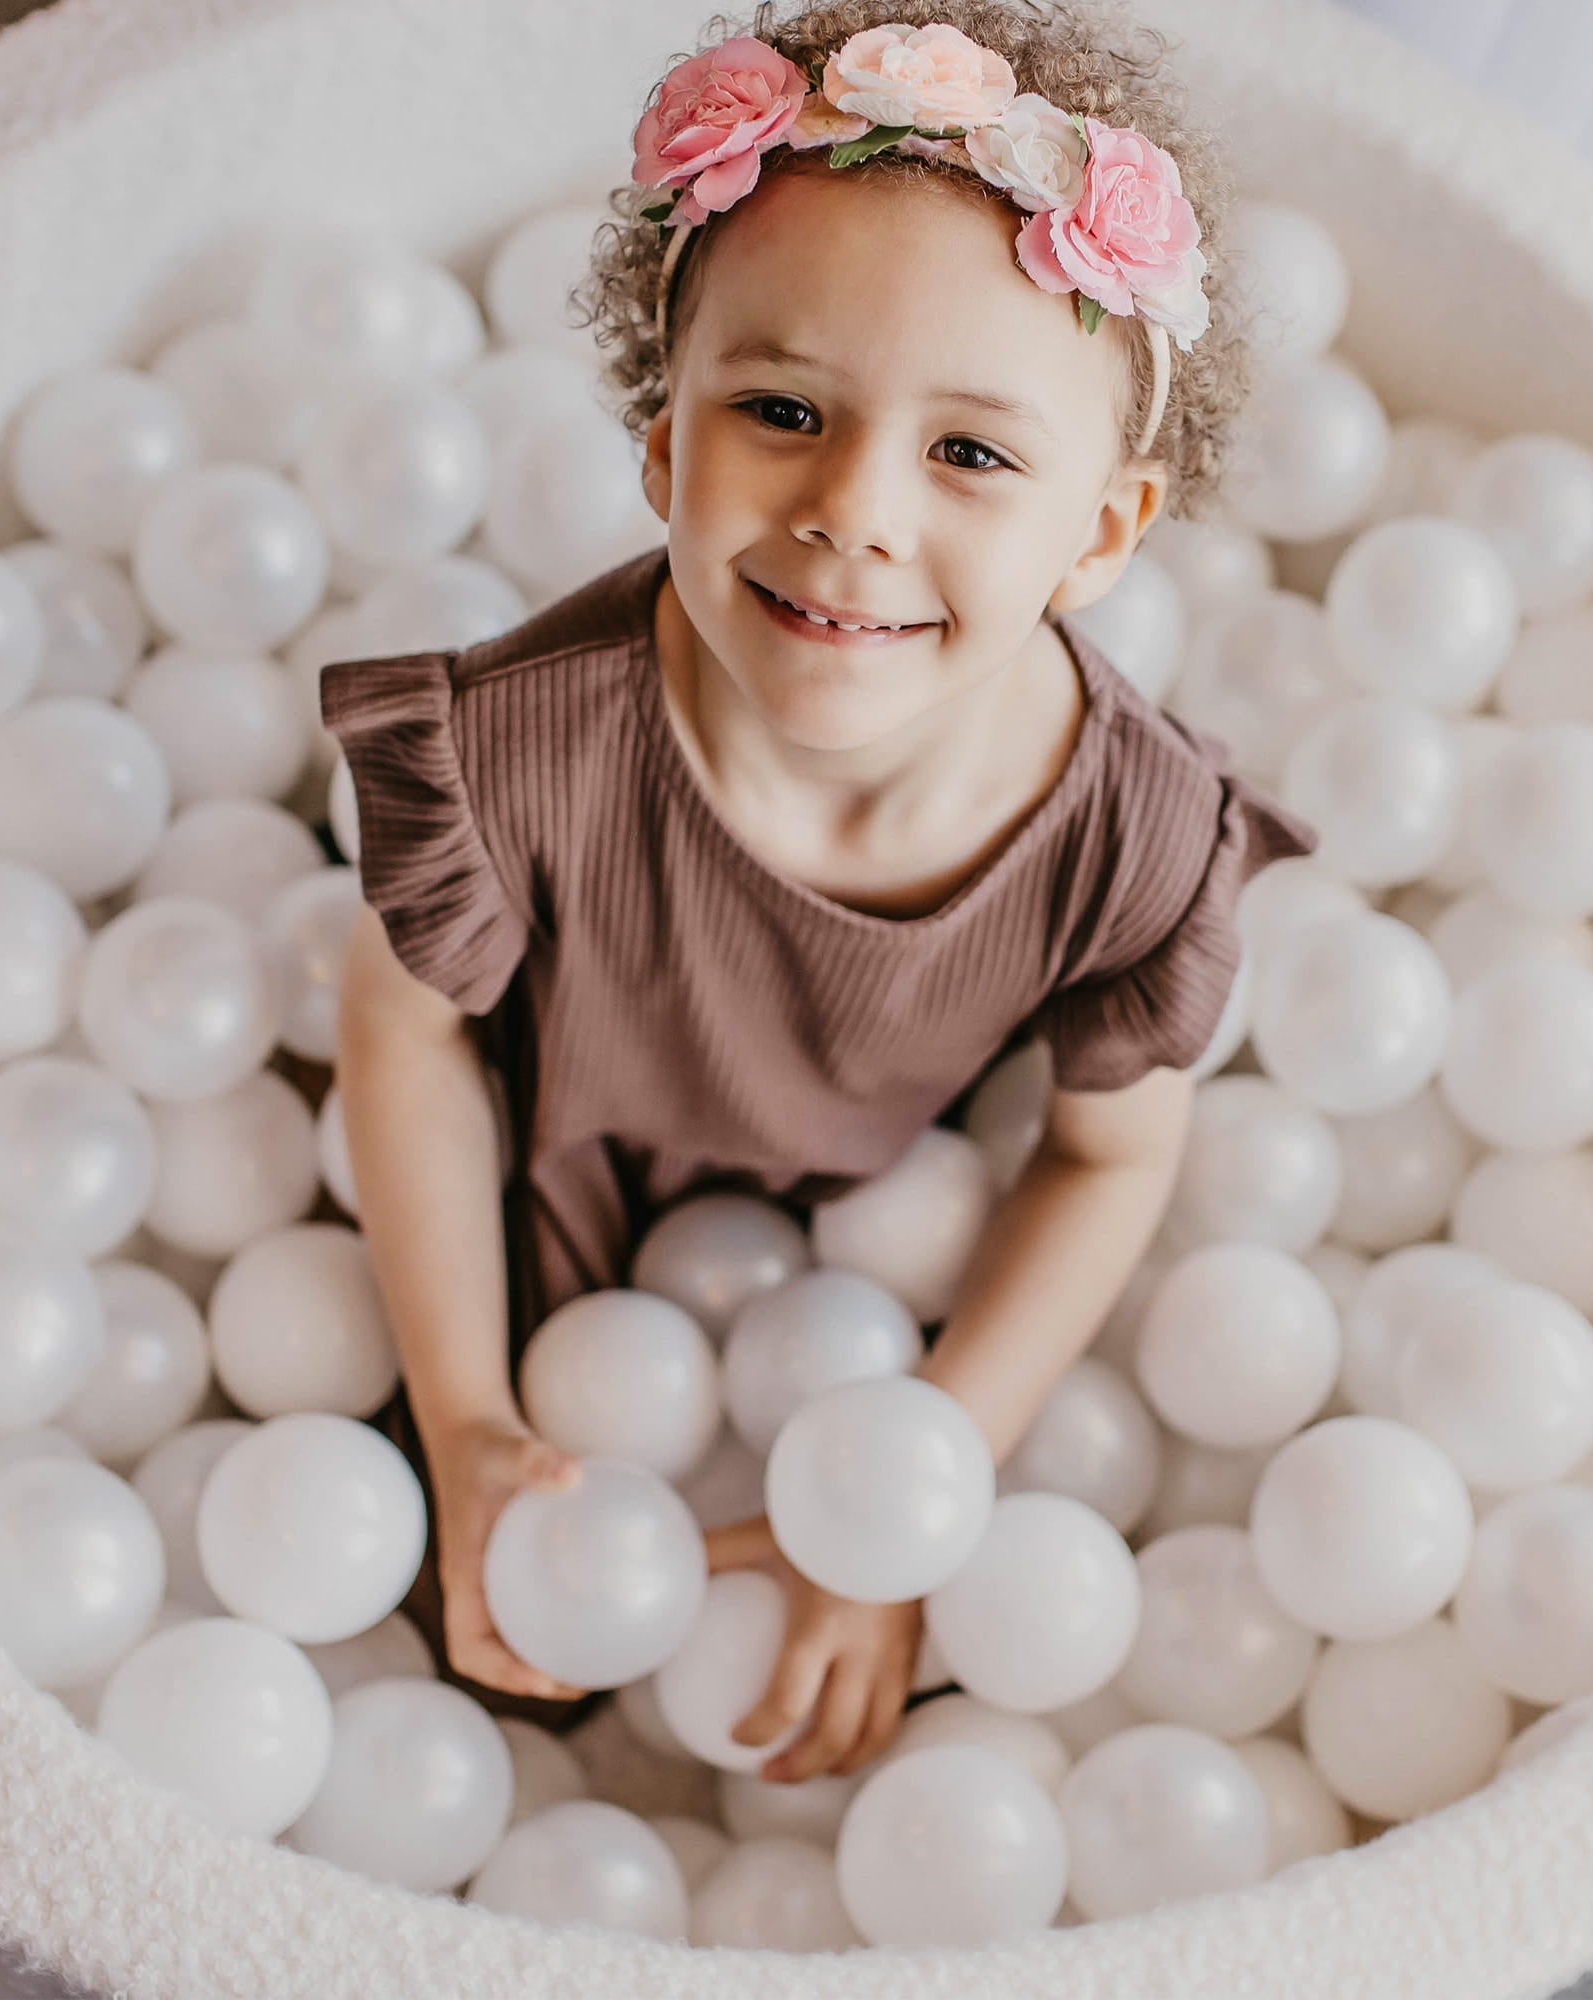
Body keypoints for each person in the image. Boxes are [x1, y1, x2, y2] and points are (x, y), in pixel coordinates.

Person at [320, 0, 1318, 1789]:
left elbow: (1104, 1158)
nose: (855, 510)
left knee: (898, 1723)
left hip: (890, 1272)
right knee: (444, 1630)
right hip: (565, 1216)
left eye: (974, 456)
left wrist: (923, 1477)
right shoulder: (521, 755)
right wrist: (470, 1419)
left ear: (1102, 530)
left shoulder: (1135, 843)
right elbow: (406, 1041)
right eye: (780, 410)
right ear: (661, 447)